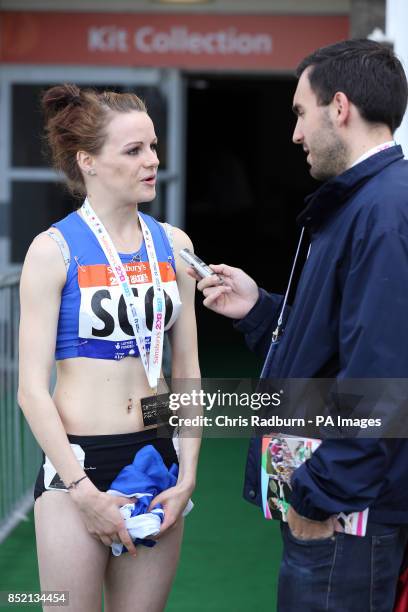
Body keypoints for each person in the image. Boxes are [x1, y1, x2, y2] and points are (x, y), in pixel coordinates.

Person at [189, 39, 408, 611]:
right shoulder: (364, 202)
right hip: (340, 505)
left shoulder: (383, 212)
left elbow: (385, 380)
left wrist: (316, 498)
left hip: (345, 517)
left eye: (299, 113)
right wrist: (261, 309)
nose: (294, 134)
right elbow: (341, 336)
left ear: (339, 108)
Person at [18, 84, 201, 612]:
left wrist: (187, 473)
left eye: (153, 146)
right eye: (134, 150)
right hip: (79, 465)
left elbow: (186, 368)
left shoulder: (175, 243)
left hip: (159, 458)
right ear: (88, 162)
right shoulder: (52, 250)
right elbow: (31, 390)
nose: (153, 161)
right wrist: (80, 490)